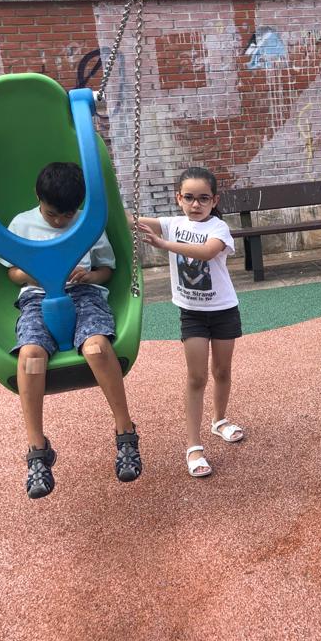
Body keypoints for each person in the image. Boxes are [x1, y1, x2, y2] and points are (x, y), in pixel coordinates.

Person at [3, 162, 142, 499]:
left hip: (83, 295)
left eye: (67, 215)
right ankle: (37, 448)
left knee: (97, 348)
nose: (59, 222)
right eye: (52, 214)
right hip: (38, 297)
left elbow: (107, 269)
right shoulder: (22, 224)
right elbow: (12, 273)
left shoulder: (87, 223)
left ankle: (125, 432)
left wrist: (89, 276)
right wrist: (35, 274)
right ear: (38, 198)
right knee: (30, 356)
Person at [137, 167, 244, 479]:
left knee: (222, 371)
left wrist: (164, 245)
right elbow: (131, 220)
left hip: (223, 310)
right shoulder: (173, 224)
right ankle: (194, 446)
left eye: (203, 198)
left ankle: (219, 421)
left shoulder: (219, 227)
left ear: (214, 200)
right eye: (189, 197)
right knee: (196, 377)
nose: (196, 204)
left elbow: (207, 253)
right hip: (192, 313)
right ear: (178, 198)